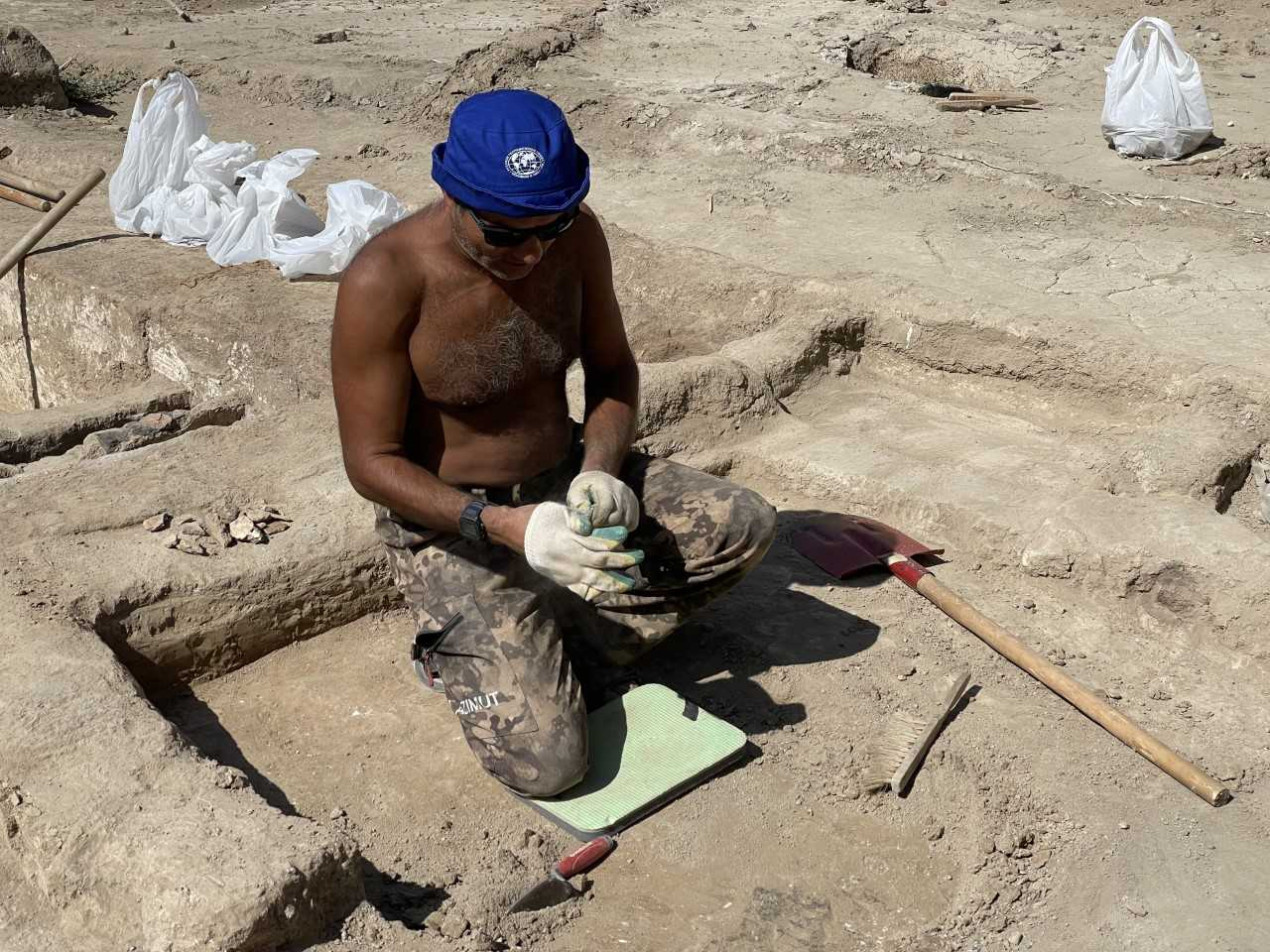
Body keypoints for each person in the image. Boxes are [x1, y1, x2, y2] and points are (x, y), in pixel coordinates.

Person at [331, 89, 776, 797]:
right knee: (550, 764)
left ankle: (557, 631)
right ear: (452, 196)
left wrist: (599, 473)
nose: (531, 251)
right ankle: (467, 644)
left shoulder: (575, 239)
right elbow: (370, 463)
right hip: (455, 525)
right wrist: (502, 525)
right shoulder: (386, 277)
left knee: (741, 525)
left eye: (551, 224)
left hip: (564, 477)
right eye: (503, 234)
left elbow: (612, 370)